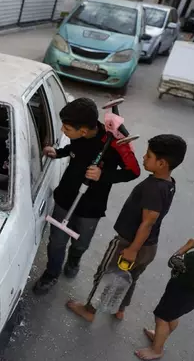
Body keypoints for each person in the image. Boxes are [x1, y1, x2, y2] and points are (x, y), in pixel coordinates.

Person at [67, 134, 187, 321]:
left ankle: (89, 310)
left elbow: (148, 221)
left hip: (128, 243)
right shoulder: (168, 184)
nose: (143, 158)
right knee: (129, 277)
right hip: (149, 247)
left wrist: (131, 249)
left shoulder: (152, 188)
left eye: (148, 156)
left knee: (105, 274)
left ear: (162, 163)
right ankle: (119, 308)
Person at [32, 98, 140, 295]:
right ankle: (51, 273)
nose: (63, 131)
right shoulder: (77, 136)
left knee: (81, 243)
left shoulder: (115, 142)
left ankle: (74, 260)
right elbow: (74, 150)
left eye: (66, 128)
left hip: (91, 207)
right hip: (65, 198)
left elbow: (133, 171)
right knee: (56, 241)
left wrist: (103, 175)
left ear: (83, 130)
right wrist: (59, 152)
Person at [135, 216, 194, 361]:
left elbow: (173, 262)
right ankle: (160, 336)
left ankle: (156, 349)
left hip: (178, 293)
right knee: (173, 316)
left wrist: (187, 246)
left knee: (162, 318)